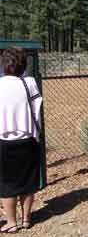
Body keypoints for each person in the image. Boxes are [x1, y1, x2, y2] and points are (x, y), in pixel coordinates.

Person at [0, 47, 43, 233]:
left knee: (6, 184)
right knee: (28, 182)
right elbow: (36, 110)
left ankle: (11, 222)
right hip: (28, 138)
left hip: (4, 140)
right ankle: (26, 219)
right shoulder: (30, 83)